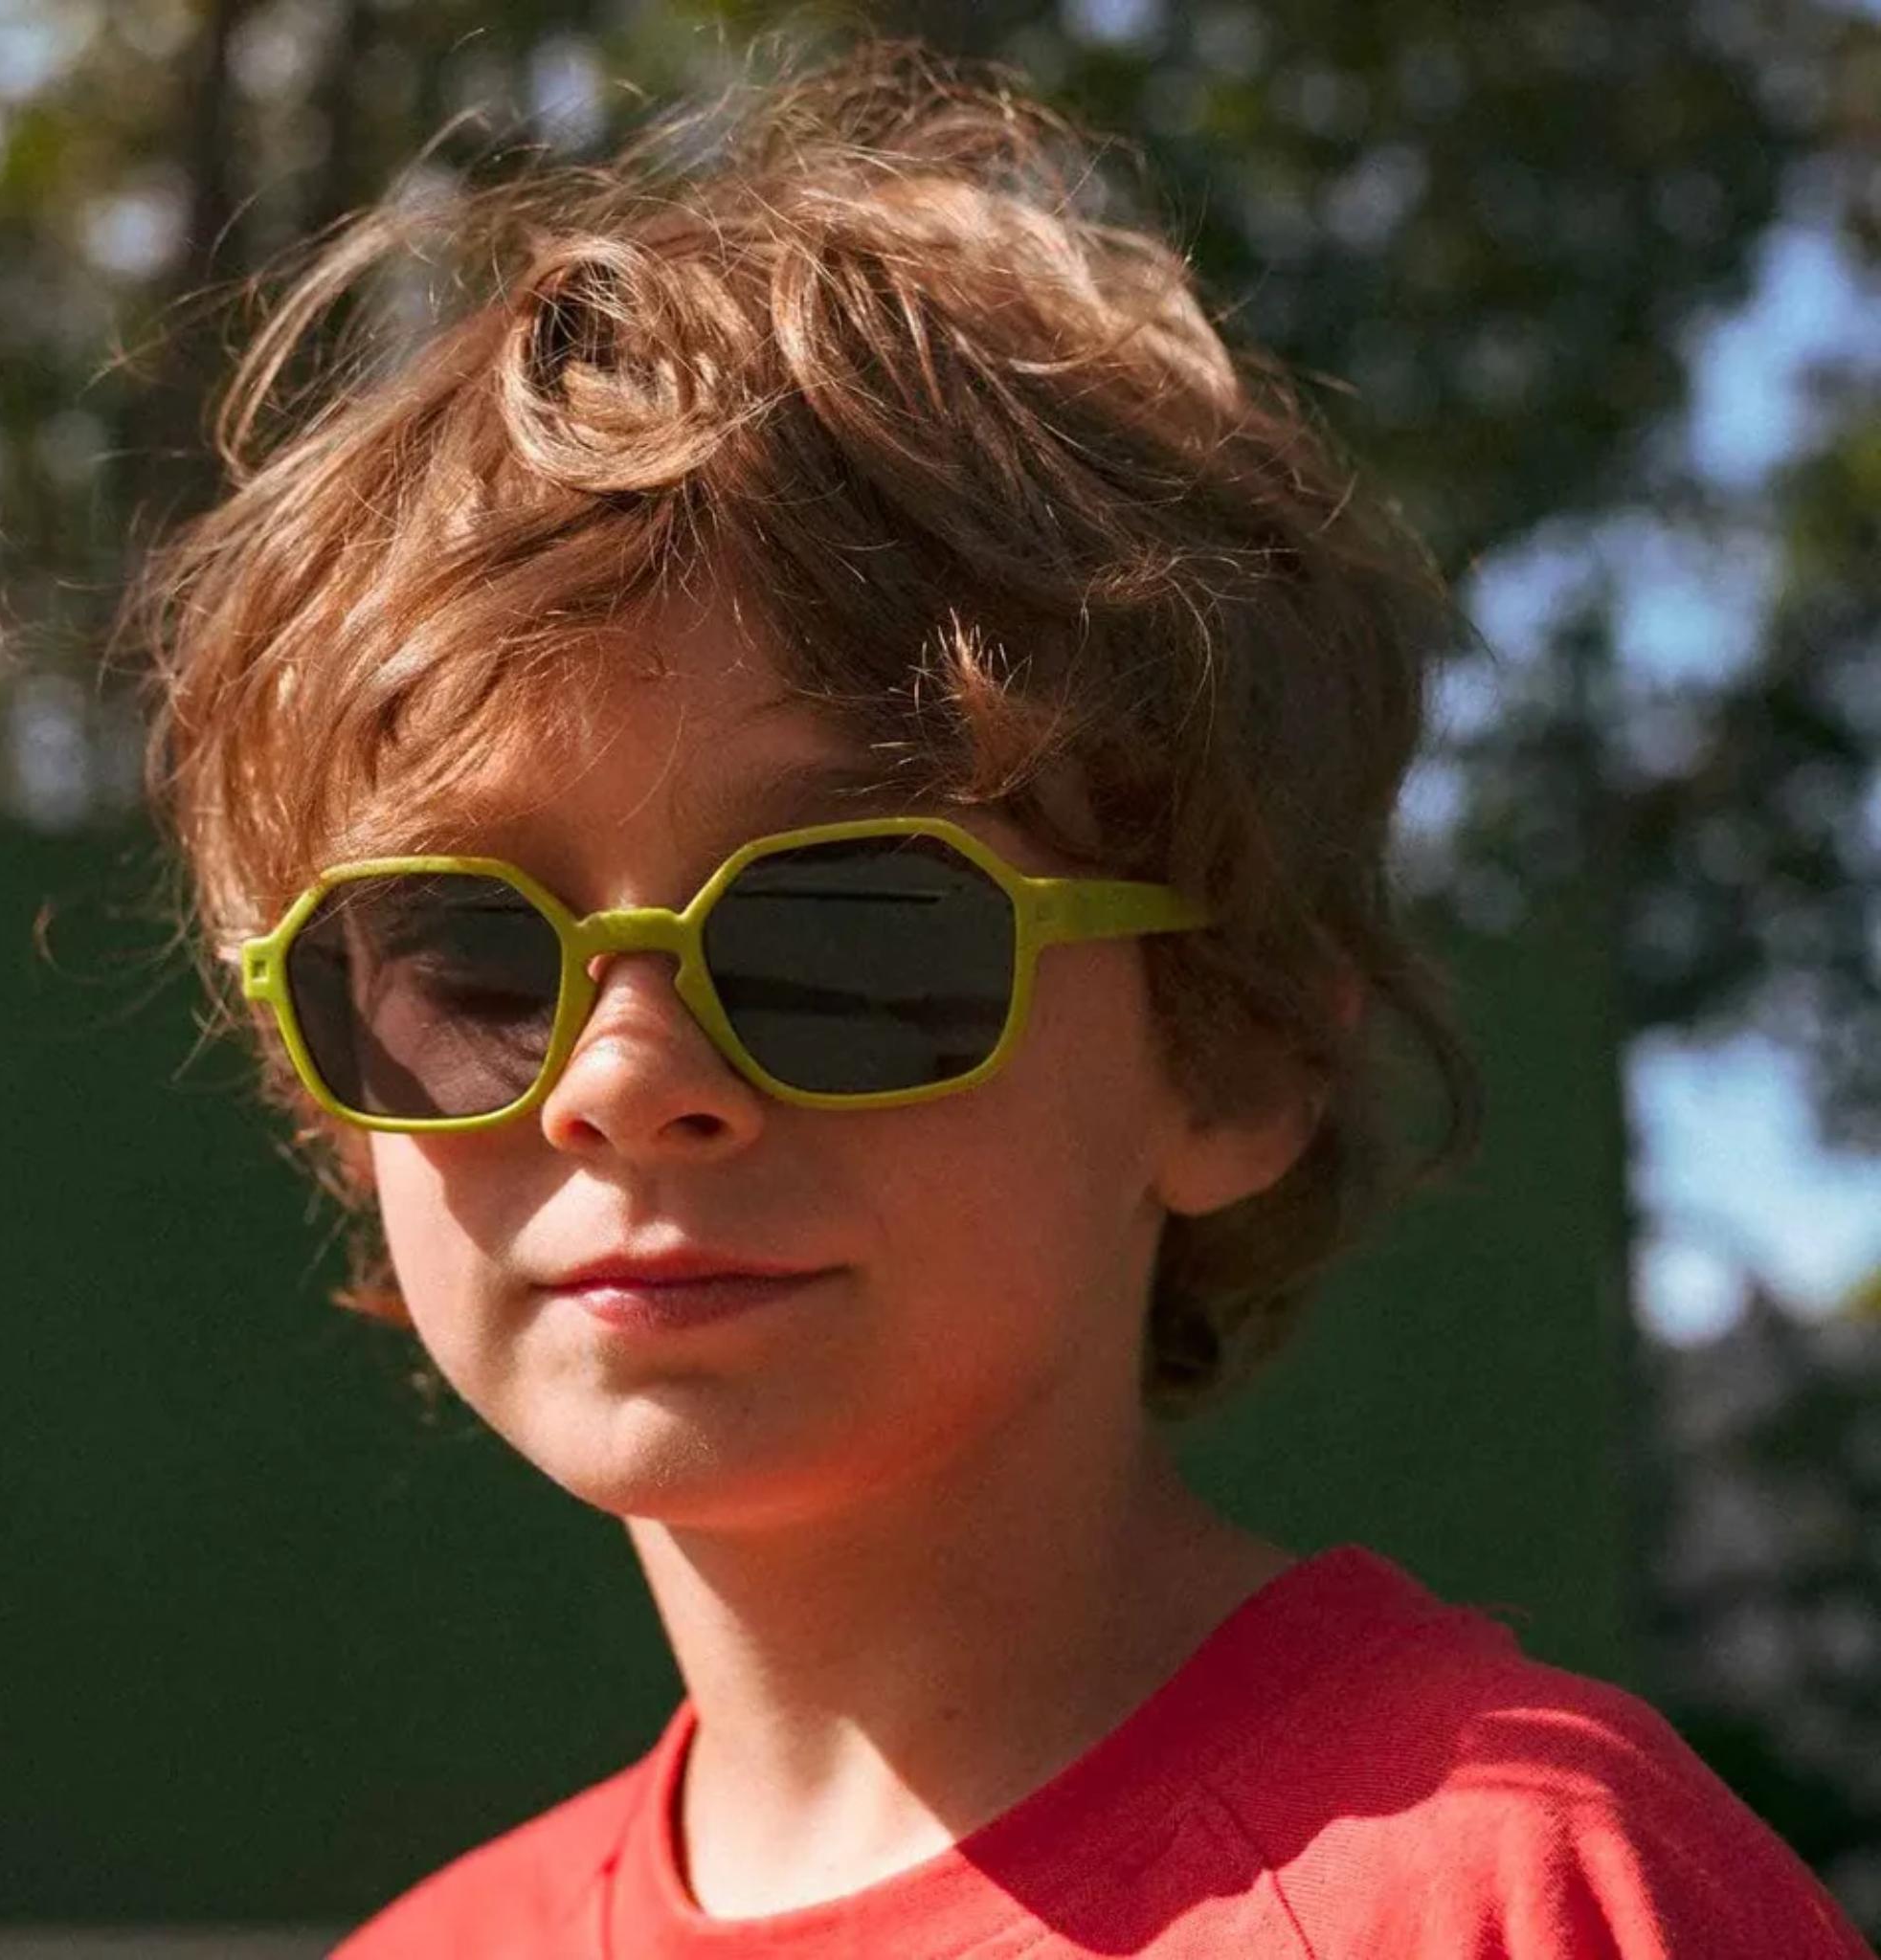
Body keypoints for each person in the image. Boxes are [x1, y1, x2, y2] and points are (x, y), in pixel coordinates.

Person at [129, 37, 1875, 1960]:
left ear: (1230, 1051)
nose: (618, 1077)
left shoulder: (1528, 1895)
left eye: (846, 934)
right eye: (464, 958)